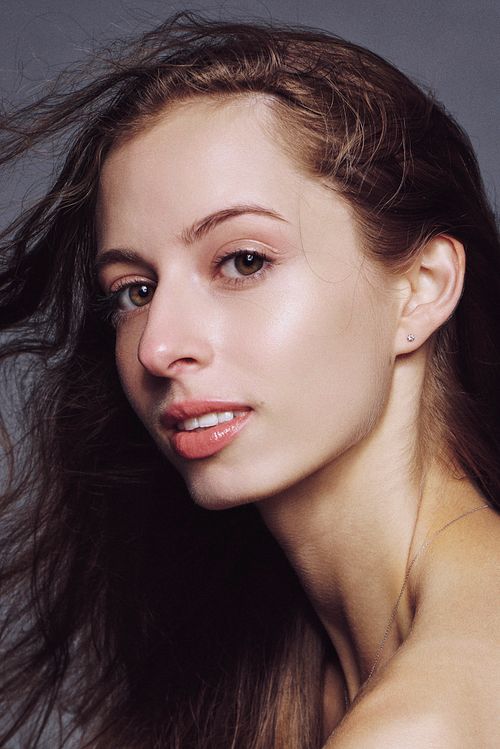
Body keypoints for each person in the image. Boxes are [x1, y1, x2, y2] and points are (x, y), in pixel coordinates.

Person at [0, 11, 499, 748]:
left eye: (243, 261)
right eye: (134, 291)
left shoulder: (426, 723)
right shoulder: (287, 665)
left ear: (422, 288)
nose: (158, 347)